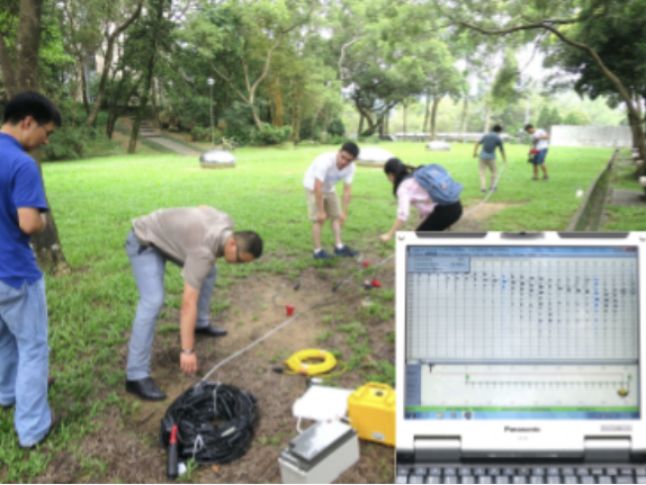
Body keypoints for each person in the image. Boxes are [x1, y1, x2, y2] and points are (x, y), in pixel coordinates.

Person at [124, 206, 263, 400]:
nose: (239, 265)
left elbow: (202, 208)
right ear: (232, 243)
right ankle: (136, 375)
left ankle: (200, 324)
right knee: (152, 301)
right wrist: (187, 350)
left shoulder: (226, 221)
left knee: (209, 271)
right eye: (240, 260)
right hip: (144, 241)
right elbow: (188, 302)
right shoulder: (202, 252)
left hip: (166, 238)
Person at [0, 91, 61, 448]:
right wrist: (40, 217)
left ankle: (7, 393)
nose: (46, 140)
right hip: (14, 273)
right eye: (46, 132)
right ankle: (34, 427)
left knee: (5, 339)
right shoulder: (21, 164)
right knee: (33, 346)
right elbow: (28, 224)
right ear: (27, 123)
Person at [379, 158, 462, 242]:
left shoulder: (403, 188)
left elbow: (403, 215)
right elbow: (429, 201)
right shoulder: (414, 175)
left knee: (415, 241)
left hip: (446, 211)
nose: (388, 179)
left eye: (387, 176)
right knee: (421, 238)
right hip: (456, 205)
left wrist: (389, 235)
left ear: (391, 174)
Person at [303, 141, 360, 259]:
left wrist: (344, 212)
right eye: (342, 157)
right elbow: (317, 187)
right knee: (319, 219)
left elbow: (347, 191)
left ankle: (339, 247)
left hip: (329, 188)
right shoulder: (325, 161)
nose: (344, 162)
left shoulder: (351, 168)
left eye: (348, 160)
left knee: (336, 216)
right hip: (312, 186)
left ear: (353, 160)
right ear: (338, 152)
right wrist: (320, 210)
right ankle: (318, 251)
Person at [473, 124, 507, 192]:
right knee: (494, 172)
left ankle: (483, 187)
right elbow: (502, 150)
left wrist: (474, 153)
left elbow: (477, 143)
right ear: (499, 131)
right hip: (491, 157)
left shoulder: (486, 135)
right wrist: (504, 160)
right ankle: (492, 187)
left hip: (482, 156)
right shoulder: (498, 138)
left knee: (482, 172)